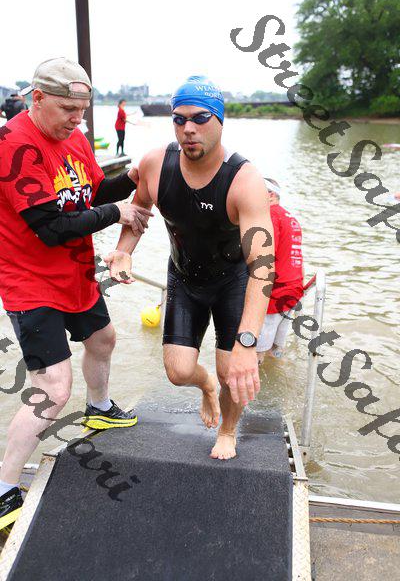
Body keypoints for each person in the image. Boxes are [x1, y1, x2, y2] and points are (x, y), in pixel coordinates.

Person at [0, 57, 153, 530]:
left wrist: (137, 175)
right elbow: (50, 227)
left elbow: (91, 193)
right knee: (53, 389)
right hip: (30, 280)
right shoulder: (13, 146)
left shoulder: (76, 138)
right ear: (37, 98)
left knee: (104, 340)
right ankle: (4, 488)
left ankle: (100, 409)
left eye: (82, 111)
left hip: (75, 273)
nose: (76, 120)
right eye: (68, 109)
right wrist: (118, 213)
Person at [105, 76, 275, 461]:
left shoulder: (244, 180)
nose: (188, 129)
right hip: (184, 278)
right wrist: (124, 251)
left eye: (200, 118)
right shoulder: (155, 164)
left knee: (233, 368)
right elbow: (139, 210)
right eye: (179, 119)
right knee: (179, 372)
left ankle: (228, 430)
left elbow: (263, 266)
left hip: (233, 281)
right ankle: (207, 386)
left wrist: (247, 343)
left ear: (220, 121)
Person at [256, 178, 304, 364]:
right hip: (294, 288)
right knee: (275, 349)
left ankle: (255, 376)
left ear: (270, 195)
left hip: (276, 290)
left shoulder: (270, 216)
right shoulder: (291, 218)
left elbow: (266, 256)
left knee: (256, 351)